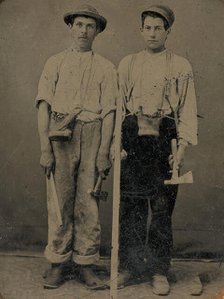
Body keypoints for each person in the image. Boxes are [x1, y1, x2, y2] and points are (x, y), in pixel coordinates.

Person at [118, 5, 200, 295]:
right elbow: (118, 109)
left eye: (158, 28)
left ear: (168, 31)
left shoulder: (180, 66)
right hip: (132, 138)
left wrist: (182, 150)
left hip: (165, 137)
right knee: (131, 205)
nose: (152, 33)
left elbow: (187, 109)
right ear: (141, 30)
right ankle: (130, 266)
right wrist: (119, 145)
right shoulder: (127, 63)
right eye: (148, 27)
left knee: (162, 208)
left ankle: (158, 270)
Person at [36, 4, 117, 290]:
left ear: (97, 31)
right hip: (60, 136)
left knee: (89, 201)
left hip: (93, 135)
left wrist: (104, 151)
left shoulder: (106, 67)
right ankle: (58, 263)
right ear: (71, 28)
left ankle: (86, 264)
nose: (84, 30)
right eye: (79, 24)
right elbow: (43, 105)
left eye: (90, 26)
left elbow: (109, 112)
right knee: (60, 200)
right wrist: (45, 147)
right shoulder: (54, 62)